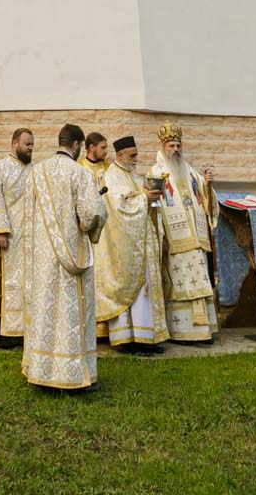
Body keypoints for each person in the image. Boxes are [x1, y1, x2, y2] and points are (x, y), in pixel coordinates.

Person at [21, 123, 107, 389]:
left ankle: (41, 370)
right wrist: (95, 222)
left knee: (46, 314)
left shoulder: (36, 172)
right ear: (77, 145)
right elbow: (92, 214)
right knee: (70, 316)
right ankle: (71, 375)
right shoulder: (79, 173)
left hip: (42, 258)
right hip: (71, 257)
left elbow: (28, 213)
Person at [93, 136, 167, 354]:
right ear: (120, 156)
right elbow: (119, 206)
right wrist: (144, 198)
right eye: (132, 155)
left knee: (144, 292)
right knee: (131, 291)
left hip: (140, 244)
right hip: (125, 248)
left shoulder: (131, 175)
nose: (136, 159)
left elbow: (137, 198)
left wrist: (149, 198)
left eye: (136, 154)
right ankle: (129, 339)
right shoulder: (112, 176)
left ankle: (146, 337)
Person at [148, 122, 217, 343]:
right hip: (175, 241)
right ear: (163, 147)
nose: (176, 149)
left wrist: (207, 186)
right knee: (181, 284)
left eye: (178, 145)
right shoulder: (156, 172)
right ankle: (182, 332)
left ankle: (204, 330)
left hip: (196, 240)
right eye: (171, 145)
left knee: (200, 282)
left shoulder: (190, 172)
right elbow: (152, 207)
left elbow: (205, 202)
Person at [0, 128, 35, 349]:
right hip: (10, 237)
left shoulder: (35, 170)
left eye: (32, 145)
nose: (31, 148)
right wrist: (0, 230)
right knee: (10, 283)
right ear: (14, 144)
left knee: (29, 284)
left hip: (31, 238)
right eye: (27, 144)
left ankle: (26, 331)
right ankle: (7, 332)